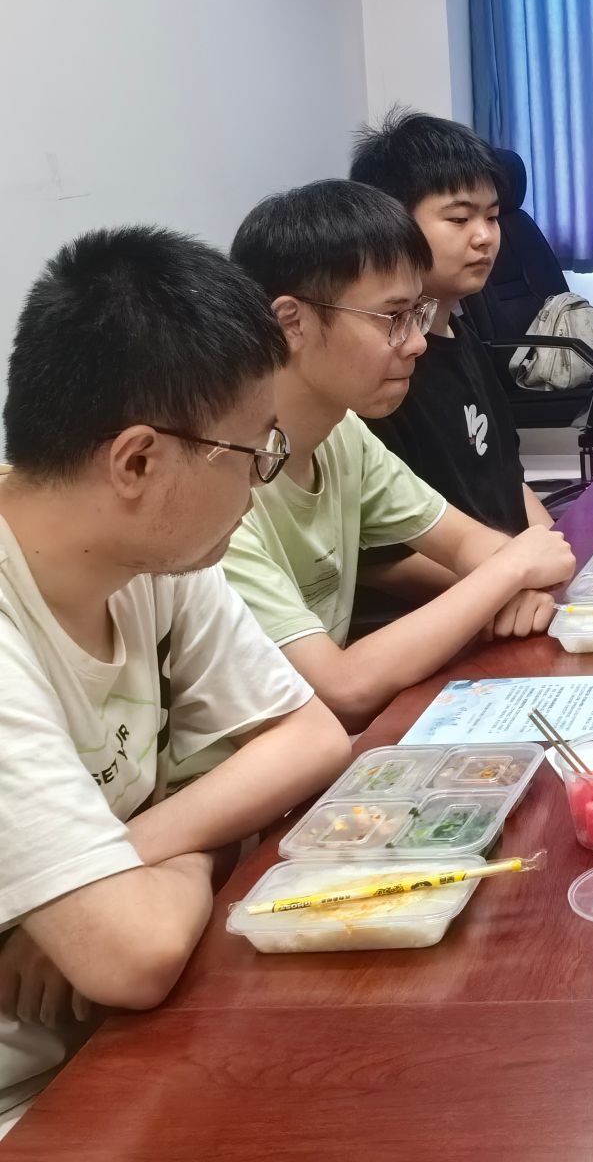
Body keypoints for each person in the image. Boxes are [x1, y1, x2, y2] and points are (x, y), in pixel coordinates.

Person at [0, 229, 350, 1133]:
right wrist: (204, 839)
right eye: (252, 451)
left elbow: (312, 735)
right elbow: (137, 953)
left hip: (119, 1046)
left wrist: (150, 848)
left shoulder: (156, 553)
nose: (261, 480)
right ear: (138, 461)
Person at [223, 180, 576, 729]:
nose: (416, 342)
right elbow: (342, 689)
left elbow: (464, 541)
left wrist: (512, 576)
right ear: (291, 322)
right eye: (392, 318)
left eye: (417, 314)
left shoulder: (342, 433)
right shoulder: (216, 480)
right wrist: (512, 570)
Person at [350, 109, 552, 557]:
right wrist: (514, 577)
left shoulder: (464, 338)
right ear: (392, 224)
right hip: (463, 589)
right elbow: (384, 557)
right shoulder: (381, 370)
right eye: (460, 219)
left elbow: (509, 479)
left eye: (492, 217)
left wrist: (560, 550)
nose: (485, 237)